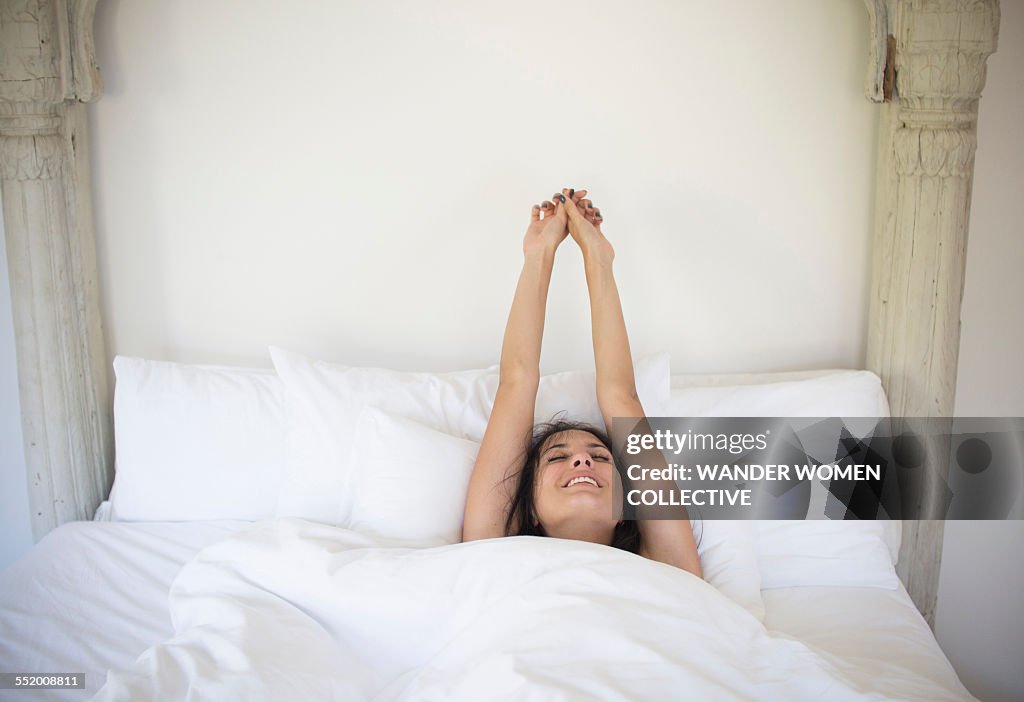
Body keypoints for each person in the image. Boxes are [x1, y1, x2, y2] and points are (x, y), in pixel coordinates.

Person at [462, 188, 703, 578]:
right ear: (531, 511)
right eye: (557, 457)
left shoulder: (670, 570)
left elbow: (619, 395)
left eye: (603, 457)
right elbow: (516, 383)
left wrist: (598, 258)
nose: (583, 460)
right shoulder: (492, 555)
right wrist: (538, 257)